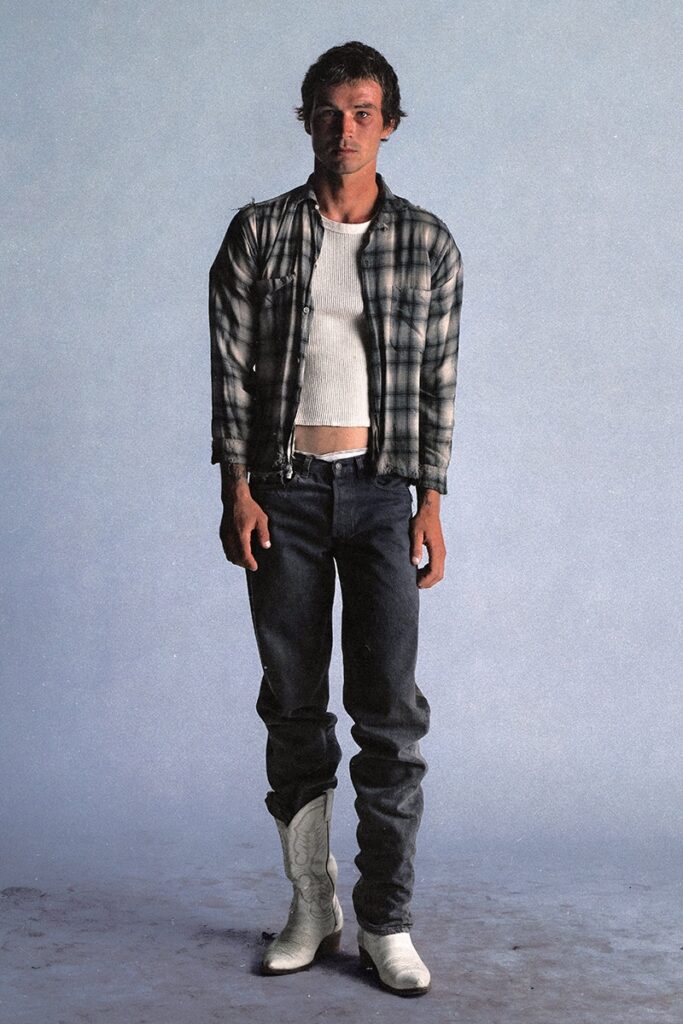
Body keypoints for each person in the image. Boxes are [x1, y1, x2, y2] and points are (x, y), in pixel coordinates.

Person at [209, 40, 463, 997]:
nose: (344, 129)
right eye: (327, 111)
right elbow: (229, 372)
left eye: (362, 113)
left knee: (389, 715)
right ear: (306, 121)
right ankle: (311, 906)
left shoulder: (427, 243)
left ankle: (386, 922)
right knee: (293, 704)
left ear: (388, 125)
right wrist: (235, 489)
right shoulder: (259, 232)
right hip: (283, 492)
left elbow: (437, 385)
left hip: (382, 492)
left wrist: (430, 501)